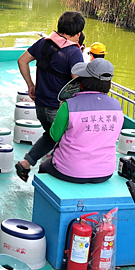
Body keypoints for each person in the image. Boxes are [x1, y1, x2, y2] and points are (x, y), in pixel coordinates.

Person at [15, 11, 85, 181]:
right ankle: (53, 173)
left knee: (51, 135)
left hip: (40, 105)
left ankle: (26, 162)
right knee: (70, 141)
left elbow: (22, 60)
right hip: (59, 109)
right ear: (77, 34)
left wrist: (31, 85)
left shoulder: (42, 43)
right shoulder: (73, 52)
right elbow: (78, 83)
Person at [39, 59, 123, 183]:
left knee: (43, 167)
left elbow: (55, 136)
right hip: (105, 172)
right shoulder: (117, 106)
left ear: (82, 82)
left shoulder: (68, 105)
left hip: (70, 170)